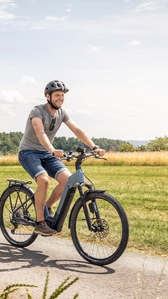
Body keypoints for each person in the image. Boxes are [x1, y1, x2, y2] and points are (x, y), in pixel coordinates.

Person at [18, 80, 106, 236]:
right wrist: (52, 149)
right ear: (48, 96)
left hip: (46, 153)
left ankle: (46, 206)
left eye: (62, 95)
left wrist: (94, 147)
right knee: (43, 180)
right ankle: (40, 223)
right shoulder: (37, 111)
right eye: (57, 95)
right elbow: (40, 133)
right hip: (29, 152)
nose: (60, 98)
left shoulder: (62, 113)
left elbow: (77, 130)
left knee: (68, 181)